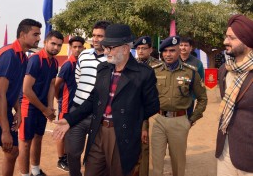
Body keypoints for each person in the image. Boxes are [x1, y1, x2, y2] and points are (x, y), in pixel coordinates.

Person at [53, 24, 160, 176]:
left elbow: (152, 106)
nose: (106, 51)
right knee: (92, 171)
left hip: (122, 134)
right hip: (98, 131)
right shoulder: (103, 69)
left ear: (125, 48)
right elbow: (92, 100)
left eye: (110, 48)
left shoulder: (143, 74)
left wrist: (129, 119)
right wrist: (69, 120)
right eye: (105, 47)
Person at [0, 19, 42, 176]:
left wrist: (18, 110)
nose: (39, 38)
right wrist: (5, 131)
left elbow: (15, 88)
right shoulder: (8, 55)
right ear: (22, 34)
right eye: (35, 34)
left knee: (12, 151)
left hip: (3, 111)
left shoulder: (23, 58)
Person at [151, 36, 207, 176]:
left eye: (172, 51)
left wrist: (191, 119)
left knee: (178, 163)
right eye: (164, 51)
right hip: (158, 120)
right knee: (156, 161)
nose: (168, 54)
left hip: (179, 121)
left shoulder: (190, 72)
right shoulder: (154, 71)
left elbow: (202, 98)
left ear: (178, 52)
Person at [64, 21, 110, 176]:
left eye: (100, 36)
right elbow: (78, 78)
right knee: (72, 152)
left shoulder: (112, 59)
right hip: (77, 111)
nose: (95, 39)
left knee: (96, 155)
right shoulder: (83, 55)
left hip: (100, 115)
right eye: (94, 35)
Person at [18, 30, 64, 176]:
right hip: (28, 107)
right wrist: (45, 109)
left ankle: (35, 171)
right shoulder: (35, 60)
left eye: (59, 45)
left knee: (38, 138)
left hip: (42, 107)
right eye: (53, 44)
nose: (56, 47)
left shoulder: (54, 62)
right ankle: (24, 174)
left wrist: (50, 107)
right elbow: (26, 89)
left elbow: (51, 84)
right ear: (45, 43)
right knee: (25, 143)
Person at [216, 14, 253, 176]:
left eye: (231, 37)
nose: (225, 42)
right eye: (226, 36)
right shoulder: (224, 70)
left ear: (246, 41)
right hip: (225, 150)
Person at [54, 36, 85, 172]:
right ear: (70, 48)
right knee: (62, 132)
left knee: (71, 132)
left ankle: (67, 157)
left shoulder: (81, 63)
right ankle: (61, 159)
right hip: (66, 105)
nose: (77, 49)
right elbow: (56, 84)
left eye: (80, 47)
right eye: (75, 47)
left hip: (76, 105)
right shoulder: (68, 64)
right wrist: (59, 98)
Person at [133, 36, 162, 176]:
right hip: (137, 109)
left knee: (148, 146)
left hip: (156, 108)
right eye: (138, 48)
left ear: (150, 49)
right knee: (137, 144)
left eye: (144, 48)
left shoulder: (159, 66)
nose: (141, 51)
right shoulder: (131, 65)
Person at [179, 37, 205, 117]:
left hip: (189, 99)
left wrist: (193, 96)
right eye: (181, 45)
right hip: (174, 98)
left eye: (186, 45)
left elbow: (200, 81)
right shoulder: (172, 60)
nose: (183, 47)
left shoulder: (197, 63)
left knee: (186, 123)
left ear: (191, 48)